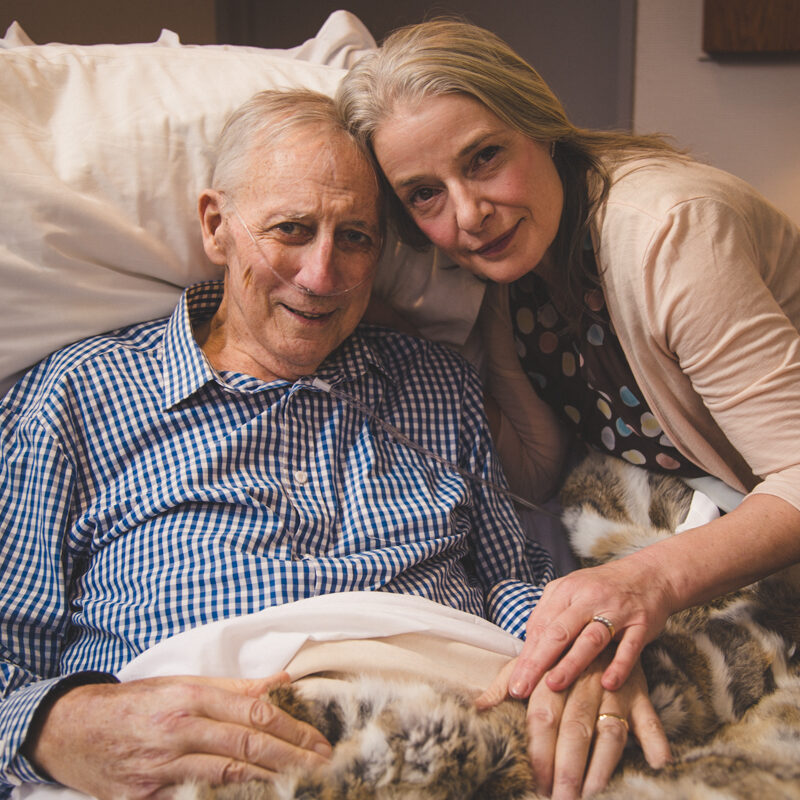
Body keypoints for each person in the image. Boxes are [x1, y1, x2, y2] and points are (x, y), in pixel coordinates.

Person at [0, 89, 669, 800]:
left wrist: (575, 654)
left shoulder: (433, 382)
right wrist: (60, 728)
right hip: (207, 757)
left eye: (355, 238)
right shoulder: (78, 396)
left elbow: (510, 577)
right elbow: (11, 650)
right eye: (291, 230)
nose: (321, 277)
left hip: (454, 733)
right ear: (217, 227)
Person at [337, 8, 800, 762]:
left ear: (540, 124)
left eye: (484, 157)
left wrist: (647, 580)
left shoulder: (669, 231)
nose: (468, 215)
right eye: (424, 195)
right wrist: (384, 333)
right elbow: (535, 470)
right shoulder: (512, 275)